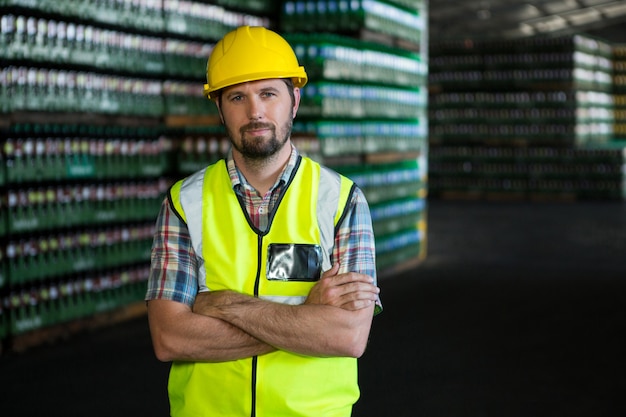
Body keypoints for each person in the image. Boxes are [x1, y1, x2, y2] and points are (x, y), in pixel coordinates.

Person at [145, 25, 382, 417]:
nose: (254, 111)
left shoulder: (341, 201)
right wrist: (305, 317)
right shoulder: (184, 203)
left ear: (294, 100)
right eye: (238, 97)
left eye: (268, 94)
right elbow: (170, 338)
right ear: (220, 108)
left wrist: (221, 305)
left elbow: (349, 335)